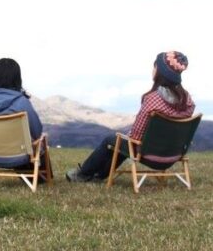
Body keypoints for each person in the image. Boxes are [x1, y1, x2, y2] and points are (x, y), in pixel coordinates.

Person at [66, 51, 195, 182]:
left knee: (114, 140)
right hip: (173, 156)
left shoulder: (152, 99)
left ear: (159, 72)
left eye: (154, 66)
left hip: (149, 156)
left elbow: (136, 136)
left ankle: (82, 174)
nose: (153, 70)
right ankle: (98, 176)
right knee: (122, 143)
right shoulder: (188, 101)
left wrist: (128, 138)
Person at [0, 57, 46, 176]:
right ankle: (41, 178)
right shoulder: (21, 101)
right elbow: (37, 132)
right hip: (18, 156)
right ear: (17, 78)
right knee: (39, 140)